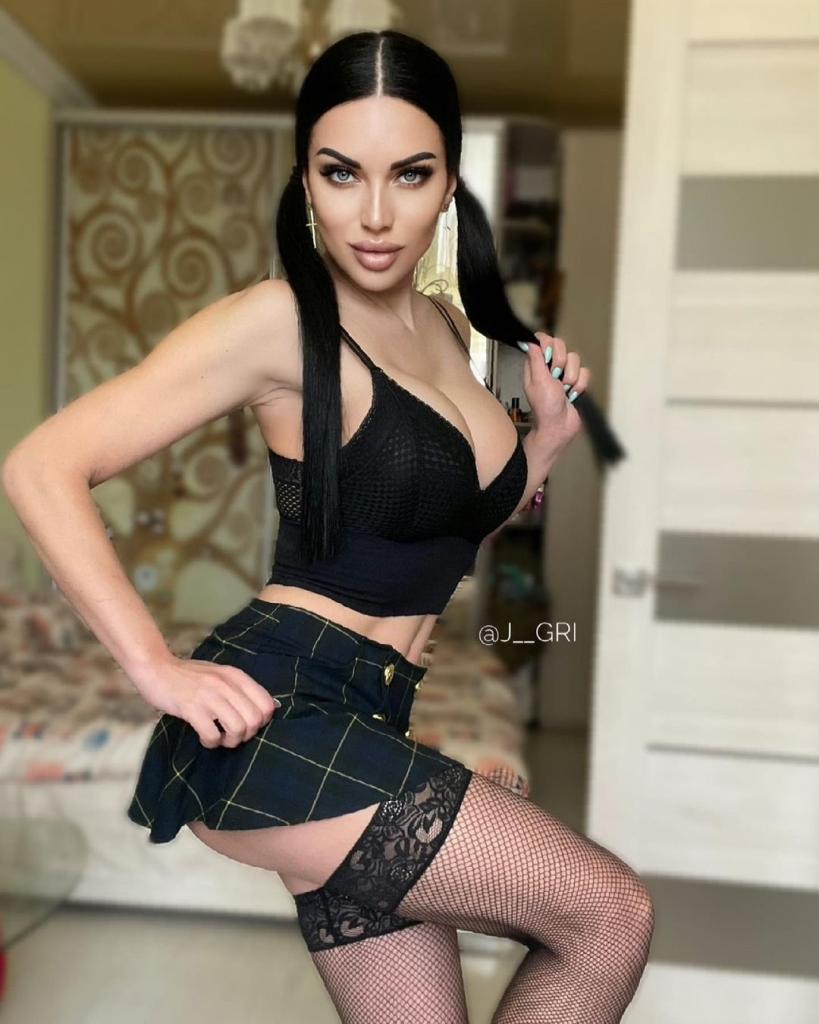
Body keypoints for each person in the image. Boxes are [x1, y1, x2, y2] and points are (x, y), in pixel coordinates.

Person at [2, 28, 654, 1024]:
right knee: (609, 914)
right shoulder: (281, 322)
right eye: (342, 172)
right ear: (305, 178)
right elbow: (41, 465)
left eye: (410, 174)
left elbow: (430, 542)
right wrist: (156, 668)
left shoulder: (445, 330)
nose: (376, 214)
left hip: (375, 714)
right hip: (283, 712)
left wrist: (548, 446)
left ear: (449, 184)